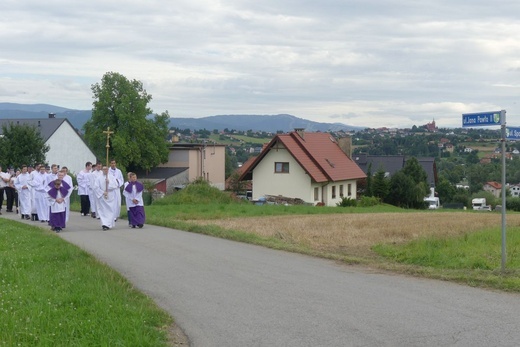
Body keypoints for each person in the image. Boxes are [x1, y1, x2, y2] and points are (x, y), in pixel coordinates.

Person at [94, 166, 119, 230]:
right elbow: (96, 187)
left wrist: (109, 183)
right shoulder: (98, 178)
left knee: (110, 210)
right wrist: (103, 192)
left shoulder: (112, 177)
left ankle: (108, 224)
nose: (105, 170)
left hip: (110, 196)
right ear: (102, 170)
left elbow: (115, 186)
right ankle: (104, 224)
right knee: (103, 211)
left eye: (106, 169)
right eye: (104, 169)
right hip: (103, 196)